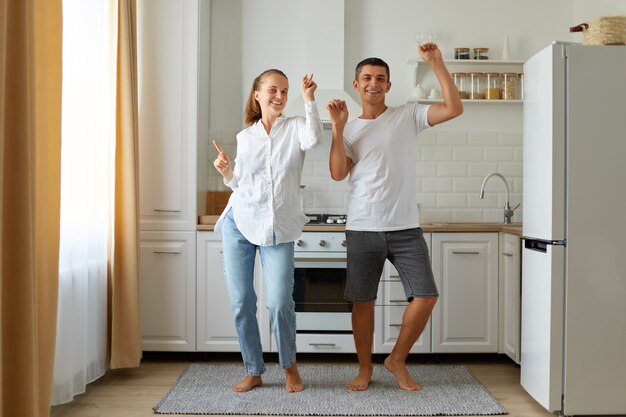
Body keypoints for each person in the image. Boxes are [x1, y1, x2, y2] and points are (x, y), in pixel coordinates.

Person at [325, 43, 463, 392]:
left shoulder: (408, 115)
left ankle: (396, 359)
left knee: (426, 296)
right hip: (362, 227)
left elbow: (453, 108)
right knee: (362, 302)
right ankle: (365, 369)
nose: (374, 83)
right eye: (367, 78)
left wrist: (437, 63)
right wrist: (338, 129)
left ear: (389, 85)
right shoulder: (349, 127)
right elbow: (338, 173)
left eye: (381, 78)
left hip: (404, 228)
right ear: (356, 85)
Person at [212, 69, 324, 393]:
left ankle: (289, 366)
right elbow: (239, 184)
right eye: (273, 90)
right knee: (241, 300)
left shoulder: (297, 128)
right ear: (257, 95)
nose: (279, 96)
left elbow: (315, 139)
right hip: (240, 221)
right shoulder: (245, 137)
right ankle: (254, 369)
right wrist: (227, 171)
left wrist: (309, 99)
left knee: (278, 302)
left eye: (285, 91)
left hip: (279, 225)